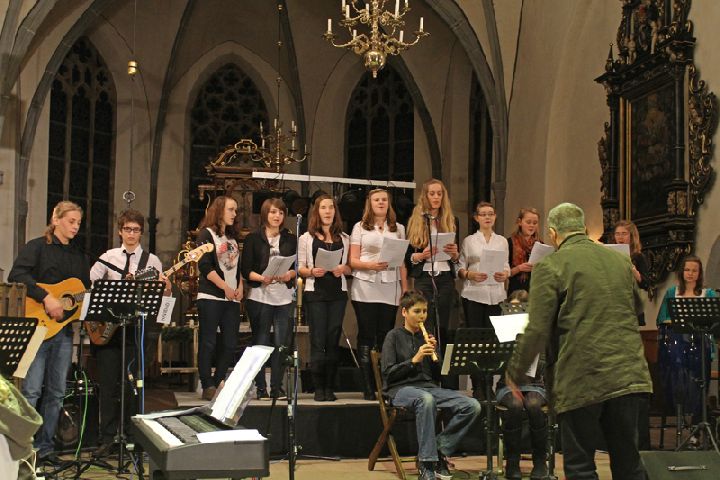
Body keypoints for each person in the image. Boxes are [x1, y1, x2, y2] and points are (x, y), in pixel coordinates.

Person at [505, 202, 652, 480]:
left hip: (582, 375)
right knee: (629, 465)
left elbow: (537, 328)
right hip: (628, 374)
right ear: (584, 228)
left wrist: (516, 373)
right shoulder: (620, 260)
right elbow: (637, 306)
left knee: (581, 467)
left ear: (552, 233)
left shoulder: (550, 265)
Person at [8, 201, 90, 464]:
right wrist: (46, 297)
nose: (75, 227)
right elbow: (16, 274)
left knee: (56, 392)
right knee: (31, 390)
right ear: (56, 219)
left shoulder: (79, 256)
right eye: (71, 221)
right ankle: (23, 450)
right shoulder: (37, 247)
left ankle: (45, 449)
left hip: (63, 332)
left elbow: (83, 291)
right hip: (36, 329)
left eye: (78, 223)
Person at [88, 209, 171, 455]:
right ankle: (107, 438)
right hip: (109, 332)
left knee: (132, 385)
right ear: (120, 231)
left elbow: (160, 301)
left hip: (136, 331)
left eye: (136, 230)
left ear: (141, 233)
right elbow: (90, 284)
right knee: (108, 385)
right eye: (127, 229)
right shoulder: (108, 257)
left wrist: (166, 289)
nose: (131, 234)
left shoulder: (152, 262)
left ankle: (131, 436)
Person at [382, 290, 481, 480]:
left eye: (424, 311)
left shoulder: (426, 337)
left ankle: (439, 448)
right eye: (417, 311)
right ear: (404, 312)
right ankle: (427, 463)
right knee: (425, 399)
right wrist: (414, 360)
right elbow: (388, 374)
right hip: (400, 389)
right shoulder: (393, 336)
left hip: (428, 387)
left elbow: (438, 376)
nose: (422, 316)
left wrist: (436, 357)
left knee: (472, 405)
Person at [350, 188, 408, 400]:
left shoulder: (398, 228)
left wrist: (404, 287)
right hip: (365, 285)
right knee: (367, 335)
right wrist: (371, 265)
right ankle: (368, 386)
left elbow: (401, 261)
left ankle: (384, 385)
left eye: (384, 199)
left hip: (390, 286)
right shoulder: (360, 227)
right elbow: (352, 260)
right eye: (377, 200)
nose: (381, 203)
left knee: (386, 335)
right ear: (370, 203)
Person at [404, 179, 459, 389]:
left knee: (442, 325)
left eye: (439, 194)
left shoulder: (451, 219)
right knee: (425, 325)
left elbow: (456, 258)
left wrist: (455, 254)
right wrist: (421, 255)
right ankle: (426, 374)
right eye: (432, 193)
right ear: (425, 196)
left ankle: (444, 376)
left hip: (444, 278)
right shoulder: (416, 220)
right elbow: (408, 257)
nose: (436, 197)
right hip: (425, 277)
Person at [656, 255, 716, 446]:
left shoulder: (708, 294)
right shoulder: (672, 292)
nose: (690, 274)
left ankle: (697, 429)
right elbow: (661, 320)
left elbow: (715, 322)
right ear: (682, 272)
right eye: (687, 270)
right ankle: (684, 424)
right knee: (679, 385)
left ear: (700, 273)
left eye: (694, 270)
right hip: (677, 348)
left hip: (700, 346)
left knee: (700, 386)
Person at [242, 198, 297, 399]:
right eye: (273, 212)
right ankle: (261, 388)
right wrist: (262, 278)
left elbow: (296, 266)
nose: (277, 216)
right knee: (261, 342)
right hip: (260, 296)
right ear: (265, 213)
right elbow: (245, 270)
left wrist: (289, 274)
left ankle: (276, 387)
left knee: (281, 344)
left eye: (281, 213)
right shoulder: (253, 238)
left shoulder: (290, 239)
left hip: (283, 297)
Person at [298, 194, 351, 401]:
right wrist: (312, 271)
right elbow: (300, 267)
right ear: (317, 212)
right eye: (323, 208)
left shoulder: (344, 238)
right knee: (318, 340)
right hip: (316, 292)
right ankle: (318, 387)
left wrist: (343, 268)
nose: (328, 211)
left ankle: (330, 386)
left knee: (333, 338)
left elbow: (349, 267)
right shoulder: (306, 238)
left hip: (337, 293)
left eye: (331, 207)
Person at [457, 201, 510, 399]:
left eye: (490, 214)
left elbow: (506, 265)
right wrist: (469, 274)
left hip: (496, 295)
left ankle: (489, 383)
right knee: (475, 340)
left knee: (492, 341)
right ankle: (477, 384)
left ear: (495, 217)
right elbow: (460, 267)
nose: (487, 217)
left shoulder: (502, 241)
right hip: (474, 294)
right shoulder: (469, 241)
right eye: (483, 214)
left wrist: (505, 274)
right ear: (476, 218)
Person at [495, 289, 548, 480]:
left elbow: (544, 366)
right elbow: (494, 364)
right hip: (507, 386)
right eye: (512, 309)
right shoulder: (501, 331)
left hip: (535, 385)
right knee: (514, 405)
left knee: (534, 405)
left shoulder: (538, 332)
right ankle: (512, 462)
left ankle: (540, 461)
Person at [196, 196, 243, 401]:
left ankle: (218, 380)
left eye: (235, 210)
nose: (234, 213)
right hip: (211, 296)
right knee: (208, 342)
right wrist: (225, 287)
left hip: (231, 298)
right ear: (219, 210)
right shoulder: (206, 234)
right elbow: (205, 267)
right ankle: (207, 384)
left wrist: (240, 287)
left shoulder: (232, 237)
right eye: (231, 209)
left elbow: (237, 268)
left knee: (230, 343)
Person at [613, 220, 650, 326]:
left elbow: (646, 284)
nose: (620, 237)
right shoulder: (611, 255)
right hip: (615, 304)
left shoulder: (638, 257)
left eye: (624, 234)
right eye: (617, 234)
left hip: (632, 304)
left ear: (632, 236)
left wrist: (634, 271)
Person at [507, 207, 541, 296]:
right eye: (528, 222)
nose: (532, 225)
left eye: (535, 223)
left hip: (536, 291)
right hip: (516, 292)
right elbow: (503, 273)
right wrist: (519, 268)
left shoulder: (540, 245)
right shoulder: (509, 243)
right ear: (519, 222)